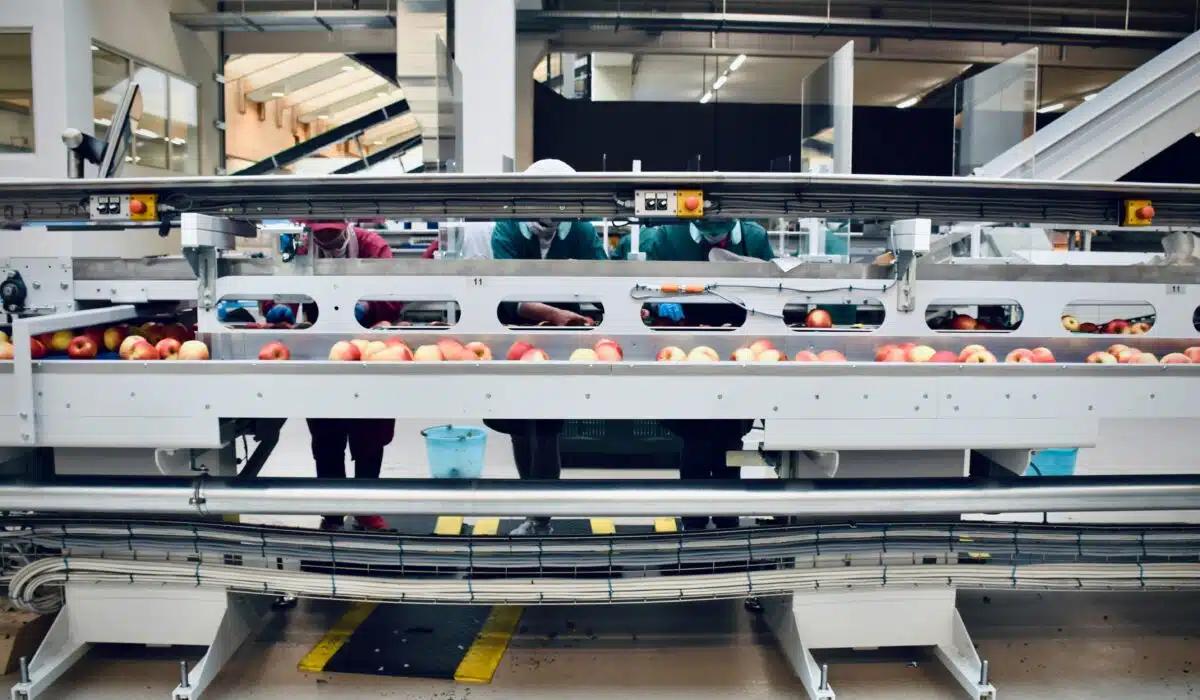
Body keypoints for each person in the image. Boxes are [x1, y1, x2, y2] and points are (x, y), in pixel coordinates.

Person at [614, 219, 776, 530]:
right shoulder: (667, 237)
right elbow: (642, 287)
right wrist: (659, 305)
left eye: (718, 230)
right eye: (706, 230)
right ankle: (693, 520)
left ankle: (727, 518)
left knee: (729, 437)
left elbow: (771, 290)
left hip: (737, 350)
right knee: (695, 437)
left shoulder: (754, 238)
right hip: (683, 348)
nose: (712, 236)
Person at [484, 159, 608, 536]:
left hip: (561, 343)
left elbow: (605, 278)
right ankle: (531, 507)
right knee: (520, 425)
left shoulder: (581, 231)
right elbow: (505, 293)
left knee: (547, 425)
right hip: (515, 338)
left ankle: (541, 517)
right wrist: (552, 312)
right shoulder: (507, 228)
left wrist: (614, 311)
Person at [299, 220, 403, 531]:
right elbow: (282, 289)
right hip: (321, 349)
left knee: (370, 431)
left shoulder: (374, 248)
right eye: (322, 236)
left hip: (368, 349)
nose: (328, 241)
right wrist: (281, 305)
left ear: (346, 226)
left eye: (334, 235)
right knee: (325, 434)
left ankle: (366, 508)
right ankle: (332, 512)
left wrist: (367, 308)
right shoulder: (304, 250)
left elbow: (394, 298)